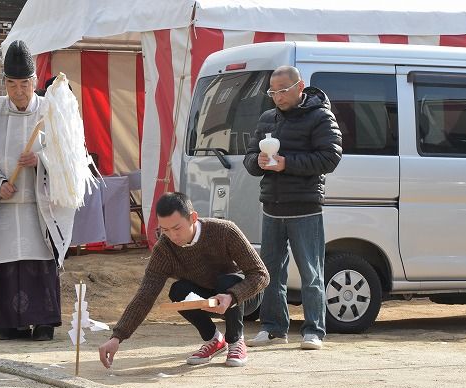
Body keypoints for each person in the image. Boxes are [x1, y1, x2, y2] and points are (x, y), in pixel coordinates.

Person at [0, 40, 75, 341]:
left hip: (39, 208)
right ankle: (9, 323)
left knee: (39, 259)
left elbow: (69, 156)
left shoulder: (50, 113)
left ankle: (44, 322)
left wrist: (41, 162)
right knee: (8, 263)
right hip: (6, 208)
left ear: (35, 82)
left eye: (25, 84)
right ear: (5, 83)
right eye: (13, 84)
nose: (19, 91)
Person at [99, 192, 269, 368]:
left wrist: (233, 296)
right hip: (208, 300)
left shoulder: (225, 231)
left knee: (226, 283)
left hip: (245, 299)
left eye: (177, 228)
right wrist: (117, 337)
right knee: (178, 290)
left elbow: (261, 274)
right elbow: (145, 295)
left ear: (193, 217)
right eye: (164, 230)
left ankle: (235, 341)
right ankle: (214, 340)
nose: (172, 236)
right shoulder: (164, 250)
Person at [243, 65, 342, 350]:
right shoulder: (267, 118)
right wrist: (257, 163)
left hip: (305, 205)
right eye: (273, 92)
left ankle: (314, 330)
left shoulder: (321, 116)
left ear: (300, 87)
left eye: (283, 91)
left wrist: (288, 163)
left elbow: (330, 157)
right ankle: (273, 328)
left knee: (311, 271)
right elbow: (250, 156)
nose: (277, 97)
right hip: (272, 205)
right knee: (269, 271)